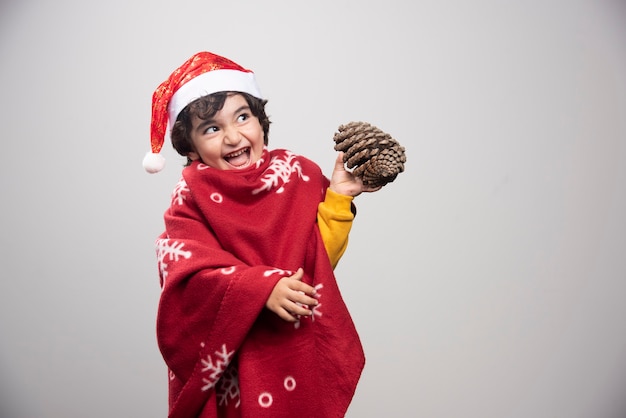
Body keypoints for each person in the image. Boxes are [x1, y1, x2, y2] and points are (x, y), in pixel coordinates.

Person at [144, 51, 376, 418]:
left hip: (296, 346)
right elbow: (187, 282)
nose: (233, 136)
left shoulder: (296, 173)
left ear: (259, 119)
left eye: (242, 117)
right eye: (211, 128)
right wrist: (260, 287)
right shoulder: (189, 198)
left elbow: (316, 265)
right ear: (190, 147)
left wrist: (339, 197)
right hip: (238, 360)